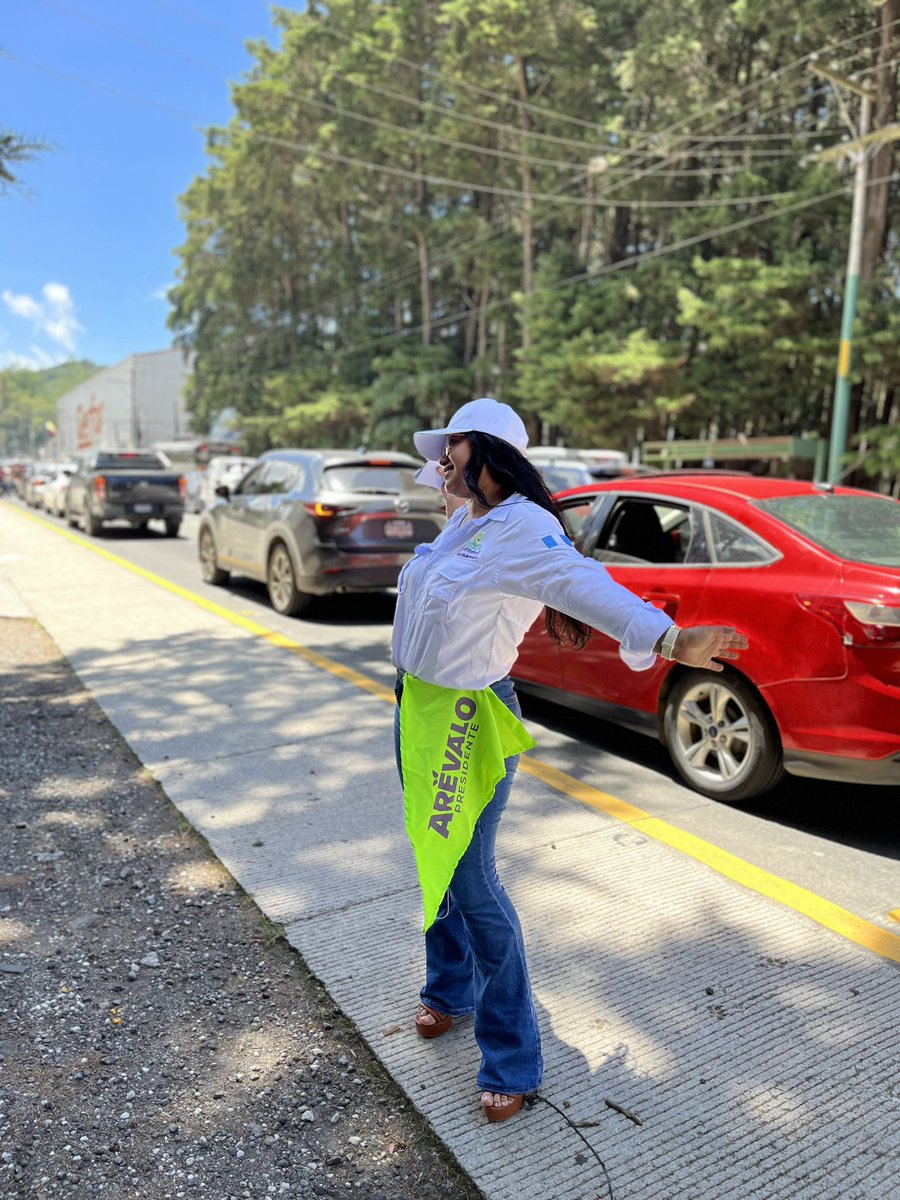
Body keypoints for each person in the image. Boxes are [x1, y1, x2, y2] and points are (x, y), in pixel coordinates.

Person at [391, 398, 746, 1124]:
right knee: (436, 852)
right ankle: (447, 990)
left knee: (471, 877)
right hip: (416, 708)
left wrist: (672, 639)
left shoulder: (524, 527)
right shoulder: (466, 521)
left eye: (451, 448)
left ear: (486, 449)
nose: (439, 462)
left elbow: (585, 587)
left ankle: (513, 1057)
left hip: (468, 719)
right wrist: (455, 486)